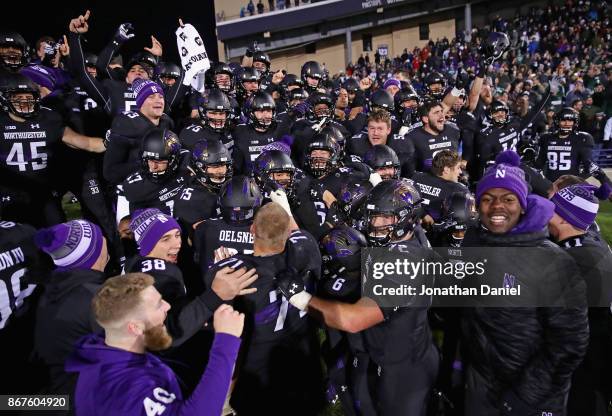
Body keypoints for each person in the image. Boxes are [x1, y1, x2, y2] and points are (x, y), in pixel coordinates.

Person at [277, 180, 439, 415]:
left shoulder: (403, 264)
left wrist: (300, 298)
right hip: (400, 349)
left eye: (385, 219)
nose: (375, 224)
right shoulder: (410, 237)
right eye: (374, 217)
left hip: (403, 369)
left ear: (406, 218)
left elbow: (352, 320)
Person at [462, 150, 589, 415]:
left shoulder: (553, 261)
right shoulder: (478, 245)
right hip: (483, 386)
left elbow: (569, 343)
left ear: (522, 204)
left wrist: (523, 396)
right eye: (487, 199)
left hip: (532, 399)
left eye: (508, 199)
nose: (497, 206)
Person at [204, 202, 326, 415]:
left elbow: (233, 341)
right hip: (305, 368)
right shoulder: (306, 245)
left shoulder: (236, 274)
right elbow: (298, 234)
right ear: (287, 232)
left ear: (252, 229)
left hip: (260, 376)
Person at [65, 273, 245, 415]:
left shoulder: (106, 351)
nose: (167, 306)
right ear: (135, 327)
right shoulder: (128, 388)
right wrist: (226, 341)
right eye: (158, 304)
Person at [548, 184, 612, 416]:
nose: (547, 211)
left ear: (566, 219)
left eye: (553, 209)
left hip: (584, 360)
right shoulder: (592, 243)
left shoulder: (572, 258)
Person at [33, 220, 108, 401]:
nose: (106, 239)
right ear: (94, 253)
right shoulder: (96, 299)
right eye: (101, 238)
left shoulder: (54, 288)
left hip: (52, 394)